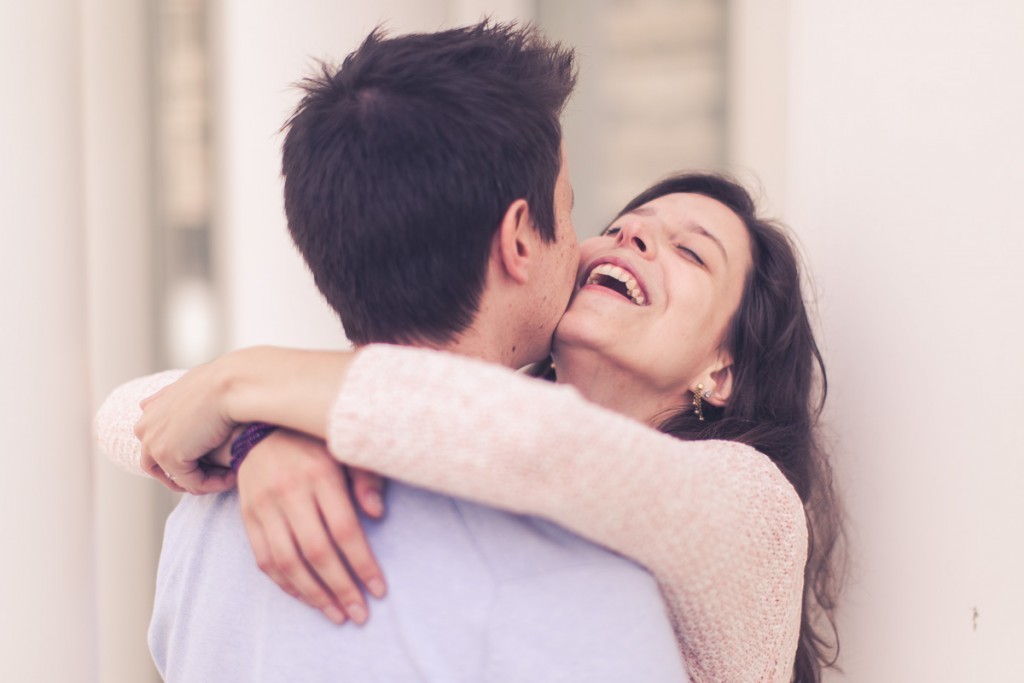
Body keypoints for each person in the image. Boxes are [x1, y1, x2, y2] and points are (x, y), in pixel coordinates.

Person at [96, 21, 692, 683]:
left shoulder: (203, 522)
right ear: (519, 239)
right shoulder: (571, 568)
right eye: (569, 211)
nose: (582, 247)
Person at [104, 173, 843, 681]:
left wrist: (244, 387)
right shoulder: (448, 427)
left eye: (689, 251)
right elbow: (129, 414)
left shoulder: (756, 507)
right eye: (620, 228)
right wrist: (261, 436)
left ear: (722, 368)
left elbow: (551, 449)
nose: (631, 241)